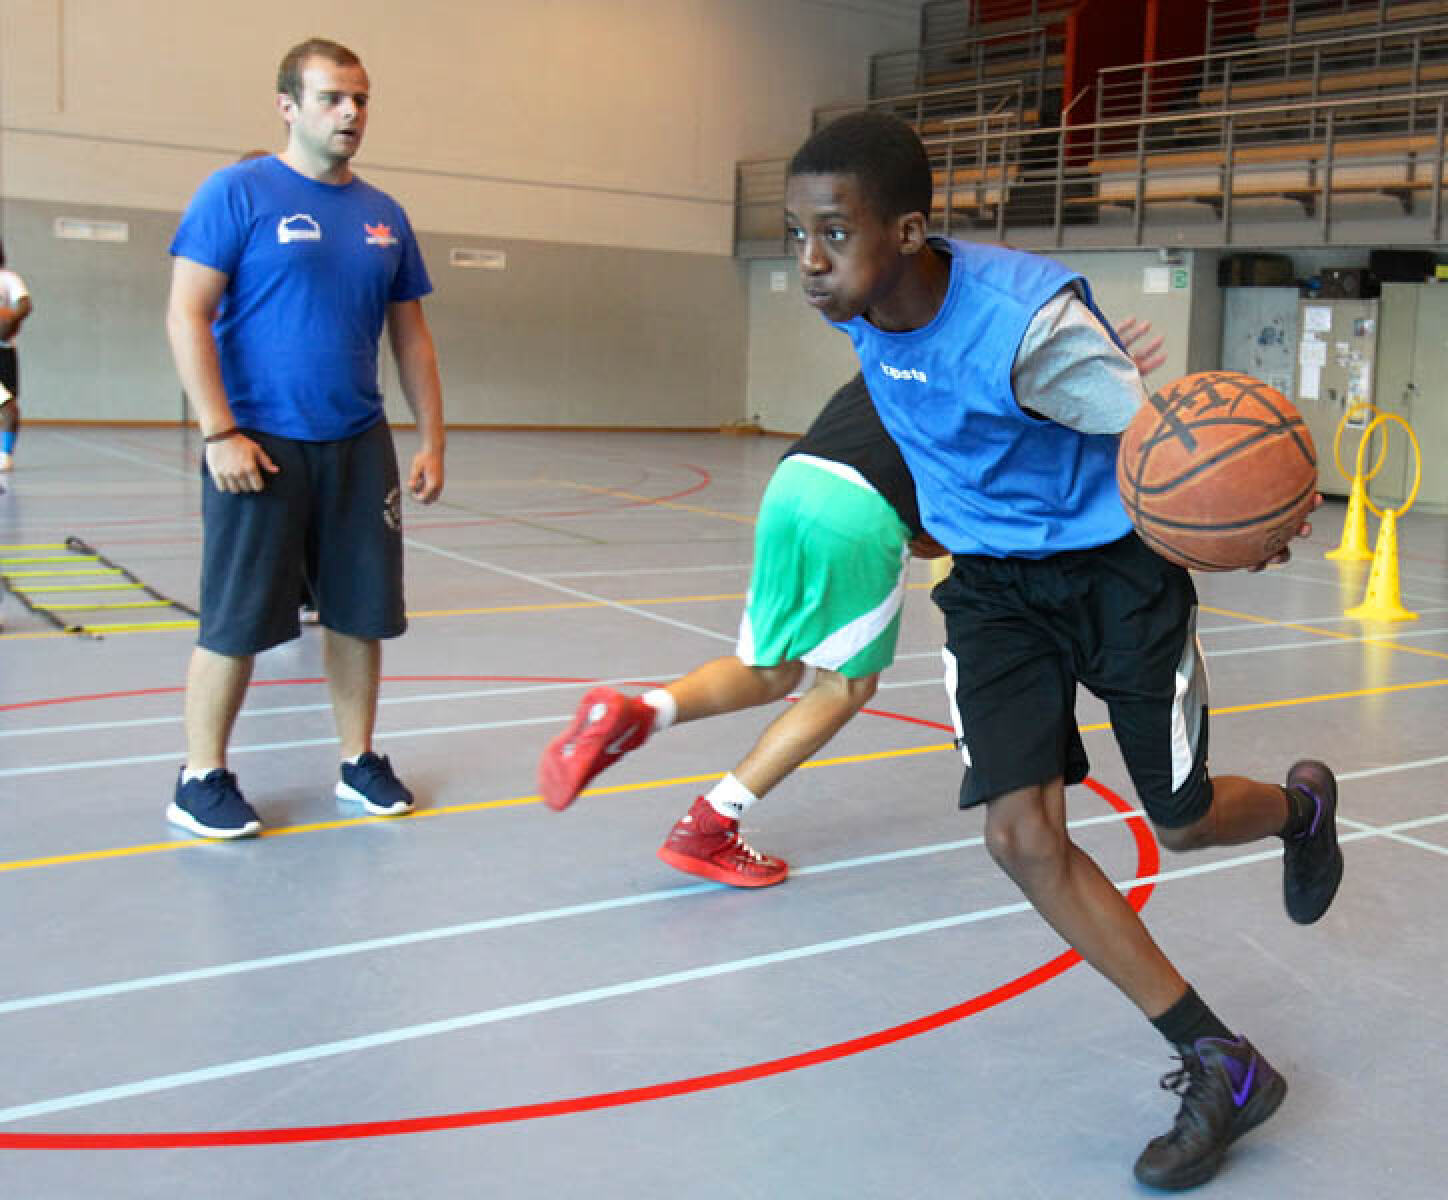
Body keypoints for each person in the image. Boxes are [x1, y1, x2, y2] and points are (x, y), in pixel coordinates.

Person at [779, 110, 1342, 1192]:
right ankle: (1216, 1058)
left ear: (906, 232)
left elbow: (1172, 447)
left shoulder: (1027, 328)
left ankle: (1298, 810)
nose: (808, 261)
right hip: (994, 593)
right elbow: (927, 410)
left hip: (1114, 573)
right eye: (795, 234)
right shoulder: (862, 303)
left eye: (832, 234)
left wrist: (1249, 520)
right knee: (1019, 836)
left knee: (1180, 823)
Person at [536, 316, 1163, 888]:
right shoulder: (1014, 394)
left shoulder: (920, 345)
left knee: (771, 668)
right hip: (862, 509)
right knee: (845, 687)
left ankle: (639, 712)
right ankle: (710, 825)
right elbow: (959, 512)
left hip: (794, 483)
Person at [164, 37, 445, 839]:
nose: (350, 113)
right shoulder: (237, 192)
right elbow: (186, 314)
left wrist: (431, 438)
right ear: (288, 106)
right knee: (237, 617)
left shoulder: (385, 215)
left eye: (360, 99)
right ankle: (200, 776)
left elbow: (412, 338)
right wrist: (219, 432)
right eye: (331, 98)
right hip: (258, 443)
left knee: (359, 613)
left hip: (358, 441)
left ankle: (359, 762)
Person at [0, 238, 34, 472]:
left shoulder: (8, 278)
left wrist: (10, 320)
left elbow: (25, 305)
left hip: (4, 351)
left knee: (9, 407)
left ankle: (5, 455)